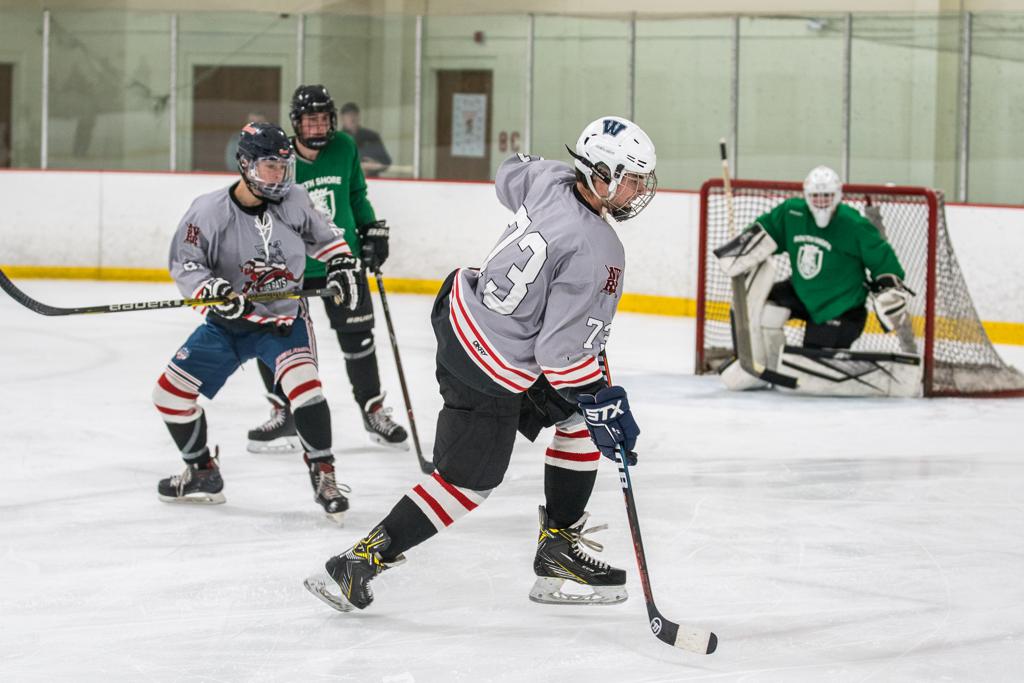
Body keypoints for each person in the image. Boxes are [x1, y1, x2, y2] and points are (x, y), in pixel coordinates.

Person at [303, 116, 658, 613]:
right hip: (491, 369)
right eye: (634, 178)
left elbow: (508, 174)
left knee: (575, 420)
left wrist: (589, 400)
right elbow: (559, 358)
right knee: (469, 481)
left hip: (460, 317)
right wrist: (604, 402)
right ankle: (357, 564)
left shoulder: (552, 177)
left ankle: (557, 546)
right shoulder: (601, 250)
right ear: (600, 174)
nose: (641, 190)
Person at [154, 121, 362, 523]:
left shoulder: (295, 200)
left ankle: (325, 476)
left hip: (282, 322)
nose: (280, 175)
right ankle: (201, 474)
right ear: (245, 164)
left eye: (284, 166)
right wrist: (213, 291)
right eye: (270, 166)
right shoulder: (208, 211)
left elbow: (326, 237)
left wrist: (341, 264)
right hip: (227, 326)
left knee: (307, 392)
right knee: (169, 397)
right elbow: (187, 264)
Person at [246, 86, 408, 453]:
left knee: (359, 339)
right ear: (296, 124)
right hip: (293, 266)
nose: (318, 128)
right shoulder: (279, 156)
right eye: (310, 121)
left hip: (342, 259)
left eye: (323, 120)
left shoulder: (345, 147)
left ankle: (373, 412)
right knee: (277, 338)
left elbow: (355, 195)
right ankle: (284, 413)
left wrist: (371, 229)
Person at [715, 165, 913, 391]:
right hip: (801, 292)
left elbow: (883, 260)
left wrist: (889, 287)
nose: (821, 201)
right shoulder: (792, 213)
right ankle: (762, 367)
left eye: (827, 196)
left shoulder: (854, 224)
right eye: (816, 196)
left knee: (812, 363)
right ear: (806, 196)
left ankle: (813, 360)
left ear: (838, 195)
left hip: (842, 307)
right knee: (761, 306)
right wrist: (741, 247)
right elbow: (765, 230)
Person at [340, 102, 392, 177]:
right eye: (348, 115)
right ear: (342, 118)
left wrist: (375, 164)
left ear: (359, 116)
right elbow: (331, 165)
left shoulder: (372, 136)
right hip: (346, 182)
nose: (352, 117)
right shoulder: (337, 139)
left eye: (354, 114)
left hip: (372, 182)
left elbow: (386, 162)